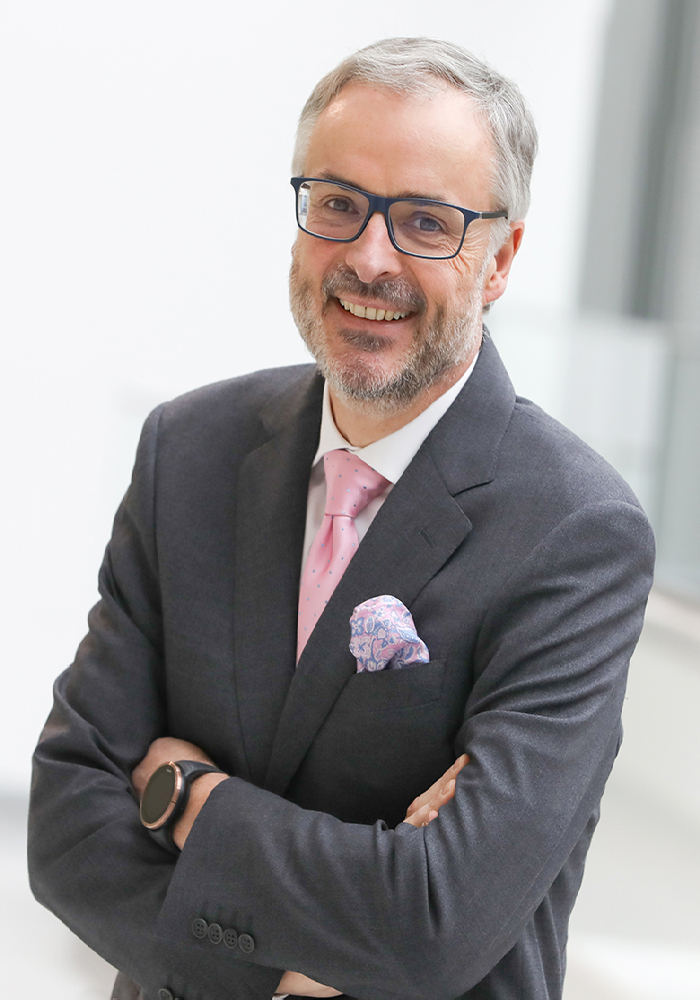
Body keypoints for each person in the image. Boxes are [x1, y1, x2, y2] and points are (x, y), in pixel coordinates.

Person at [28, 36, 655, 1000]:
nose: (368, 257)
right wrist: (284, 972)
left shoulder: (576, 531)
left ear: (498, 260)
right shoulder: (187, 453)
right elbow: (67, 826)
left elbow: (438, 919)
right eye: (338, 204)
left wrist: (191, 798)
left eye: (426, 222)